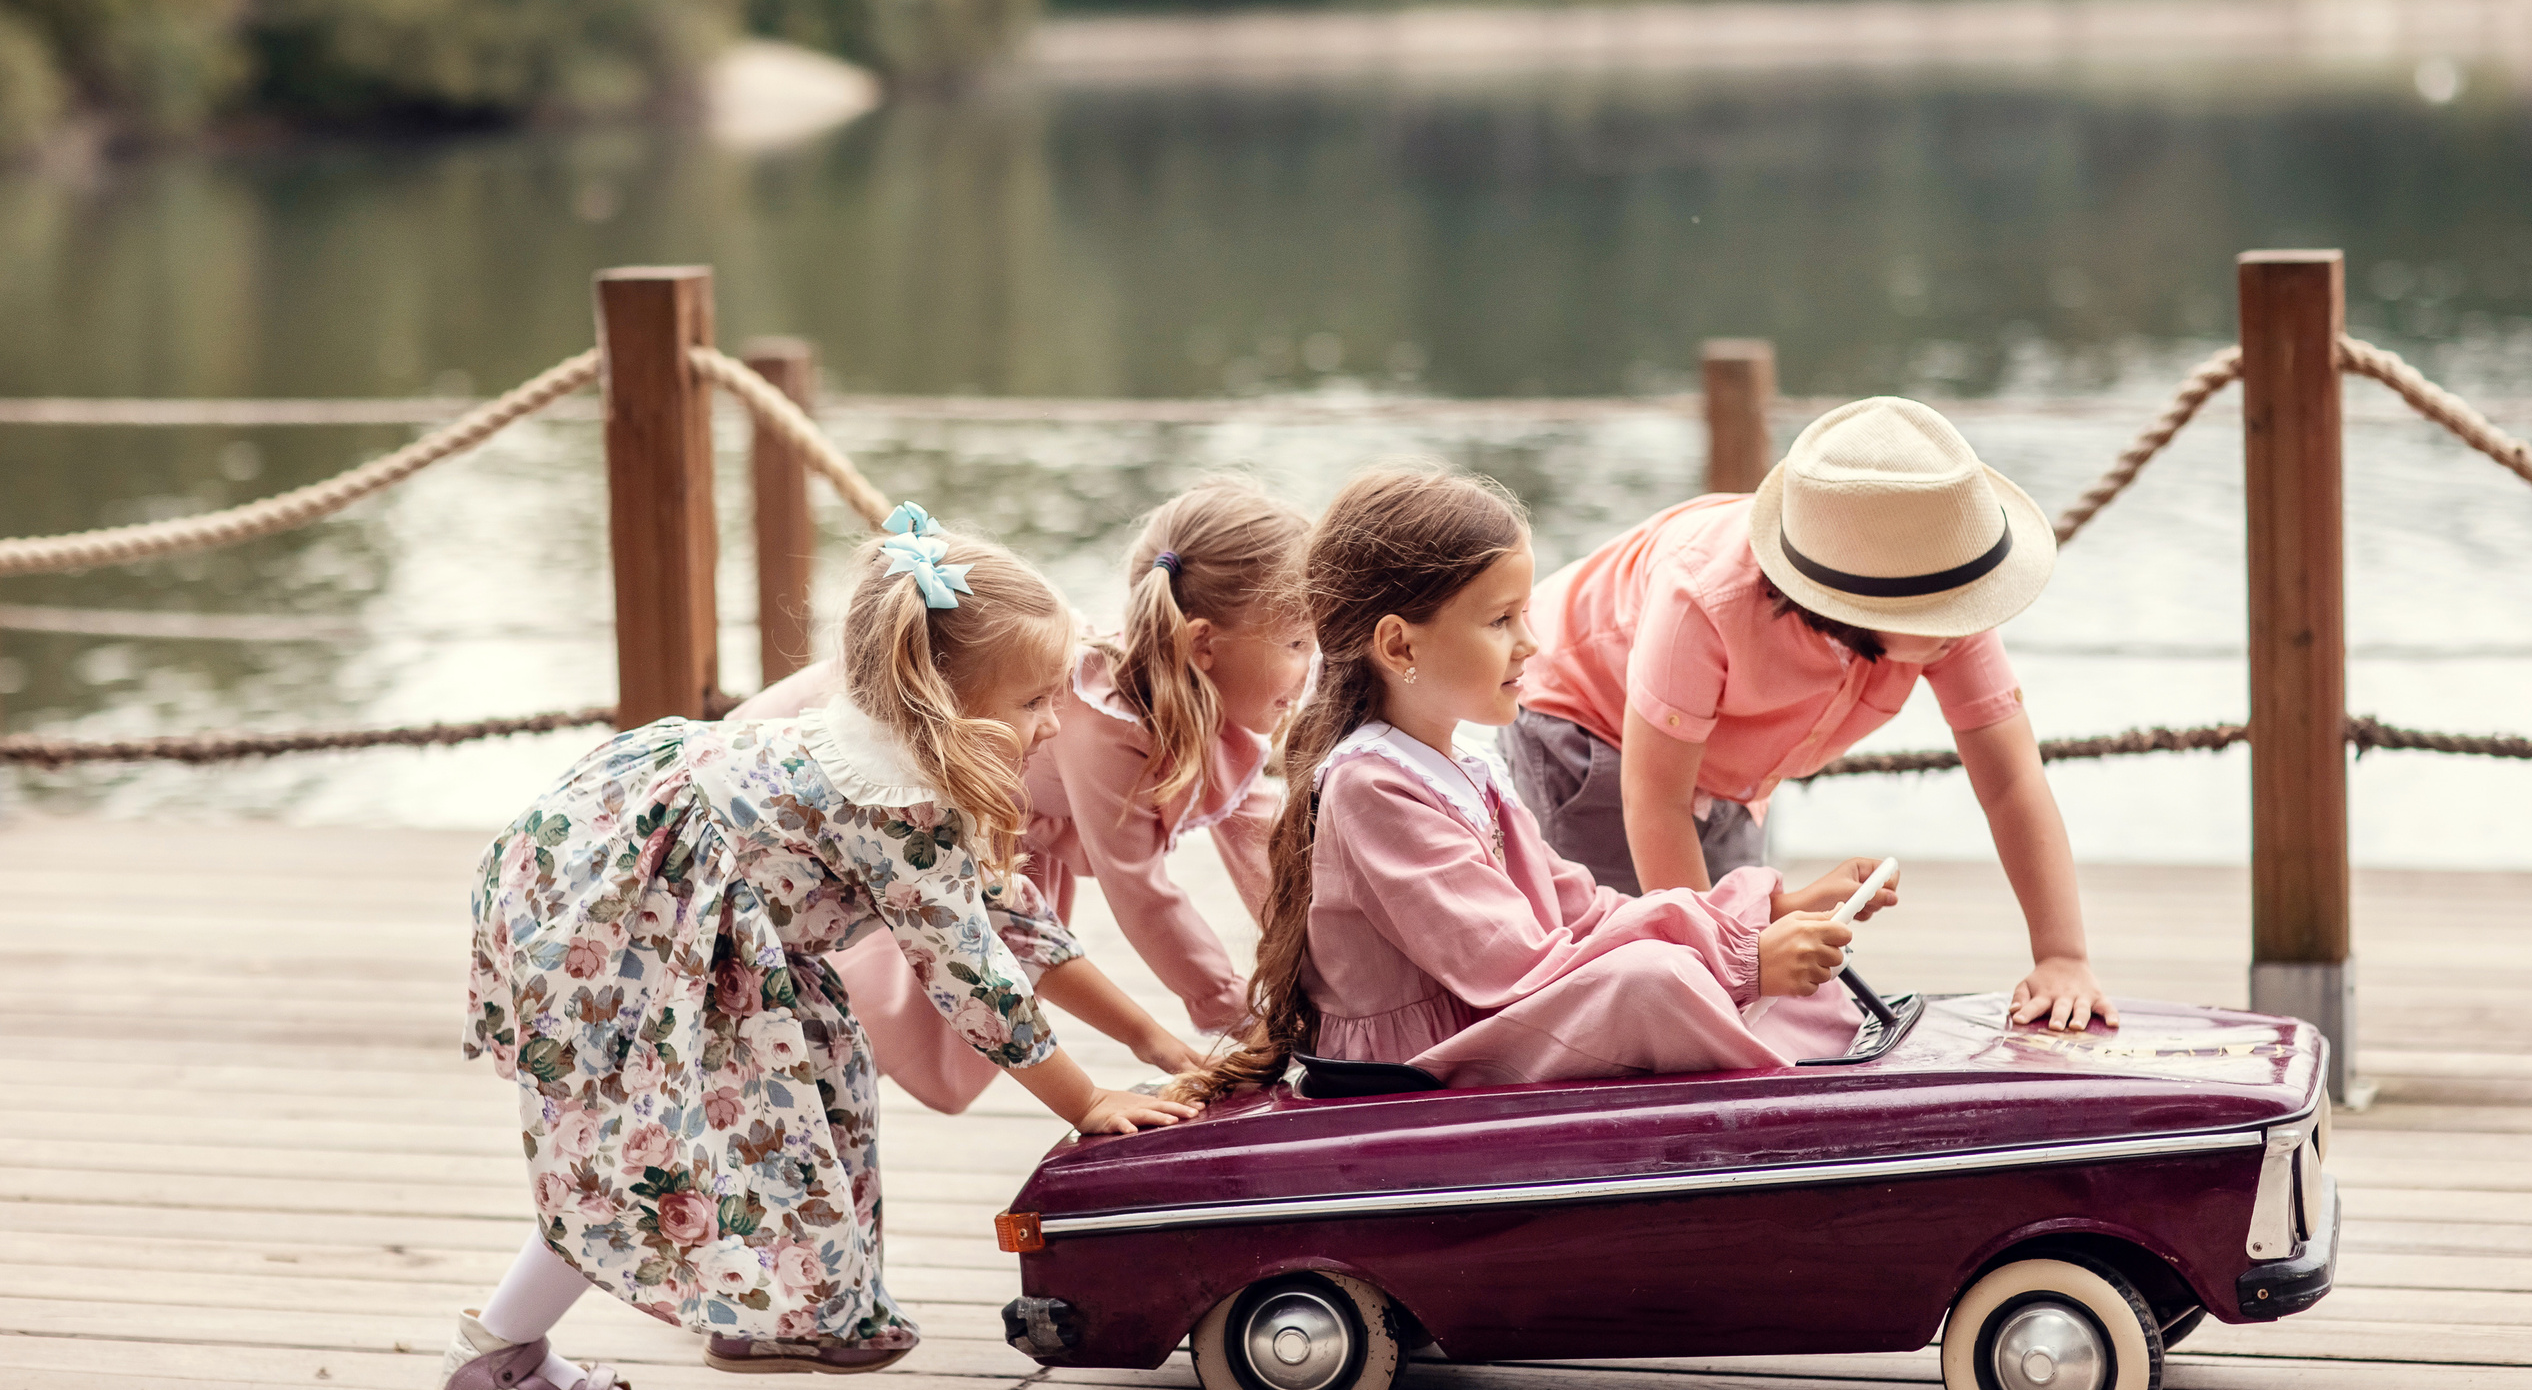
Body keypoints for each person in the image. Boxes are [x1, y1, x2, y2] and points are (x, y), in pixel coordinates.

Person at [434, 506, 1198, 1390]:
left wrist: (1153, 1041)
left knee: (814, 1088)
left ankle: (779, 1313)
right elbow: (974, 978)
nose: (1052, 723)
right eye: (1033, 701)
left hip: (704, 922)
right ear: (941, 699)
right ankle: (497, 1350)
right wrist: (1087, 1102)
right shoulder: (896, 801)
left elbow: (1015, 923)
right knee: (642, 1152)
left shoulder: (901, 759)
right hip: (626, 928)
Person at [1180, 465, 1893, 1105]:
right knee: (1654, 982)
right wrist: (1739, 960)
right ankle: (1784, 1104)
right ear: (1399, 644)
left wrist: (1763, 914)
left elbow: (1580, 909)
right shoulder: (1372, 789)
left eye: (1523, 614)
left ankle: (1806, 1065)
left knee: (1694, 969)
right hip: (1417, 1062)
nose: (1532, 642)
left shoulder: (1466, 771)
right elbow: (1513, 965)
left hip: (1487, 1015)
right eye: (1500, 620)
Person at [1504, 396, 2117, 1033]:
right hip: (1588, 723)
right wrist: (1723, 966)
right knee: (1626, 969)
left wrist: (2062, 957)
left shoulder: (1943, 599)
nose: (1974, 622)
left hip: (1725, 766)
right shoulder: (1704, 598)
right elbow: (1656, 798)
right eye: (1952, 610)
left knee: (1746, 979)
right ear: (1862, 607)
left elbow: (2011, 781)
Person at [732, 476, 1314, 1112]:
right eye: (1296, 644)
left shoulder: (976, 779)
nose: (1056, 722)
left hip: (852, 854)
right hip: (748, 845)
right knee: (812, 1022)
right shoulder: (926, 800)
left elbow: (1022, 921)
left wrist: (1182, 1032)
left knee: (843, 1050)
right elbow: (987, 968)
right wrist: (1099, 1092)